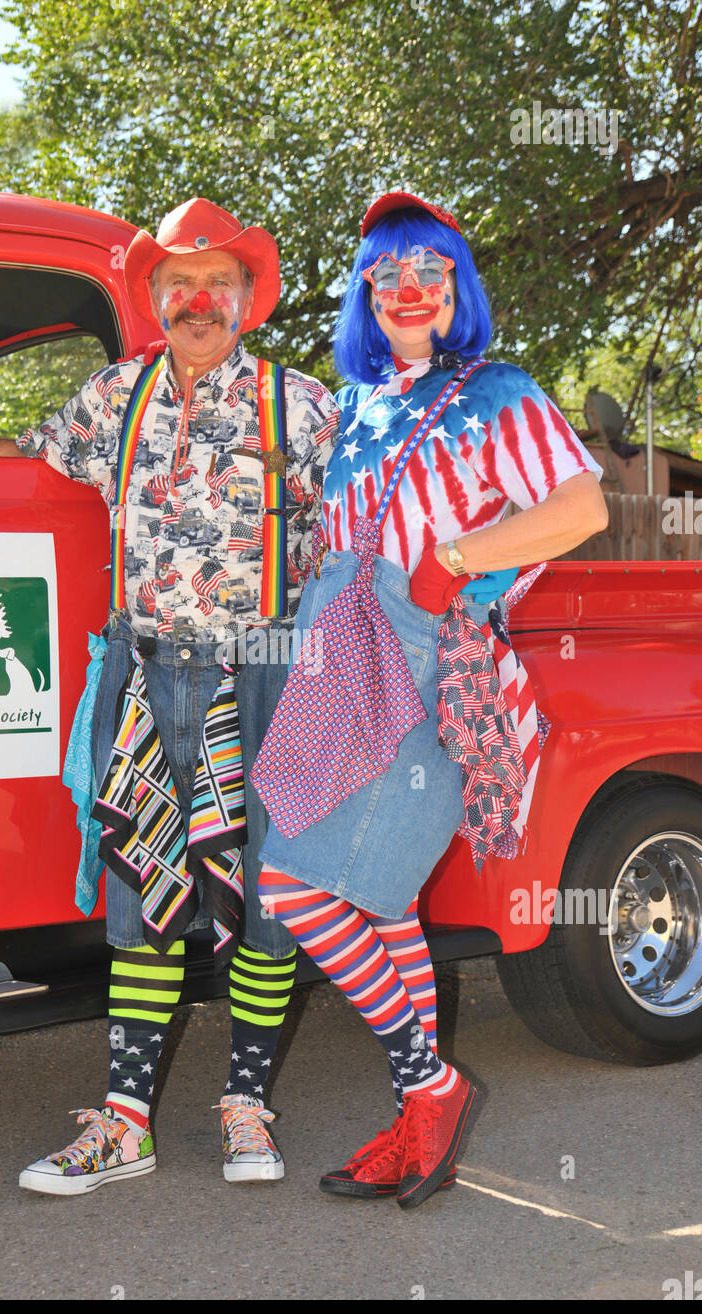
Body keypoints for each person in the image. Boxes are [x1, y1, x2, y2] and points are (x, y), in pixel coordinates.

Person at [0, 197, 339, 1193]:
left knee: (261, 902)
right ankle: (126, 1125)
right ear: (153, 299)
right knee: (142, 894)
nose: (195, 299)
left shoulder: (300, 407)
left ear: (246, 301)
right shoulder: (117, 394)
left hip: (259, 670)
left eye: (215, 282)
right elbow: (36, 450)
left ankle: (246, 1108)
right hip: (144, 666)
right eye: (176, 284)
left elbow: (369, 515)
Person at [249, 190, 608, 1210]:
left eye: (430, 272)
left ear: (456, 287)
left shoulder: (494, 390)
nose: (409, 291)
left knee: (296, 890)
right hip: (337, 645)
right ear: (367, 293)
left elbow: (578, 505)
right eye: (388, 275)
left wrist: (458, 556)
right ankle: (421, 1114)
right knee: (380, 899)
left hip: (421, 660)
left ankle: (429, 1085)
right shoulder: (359, 401)